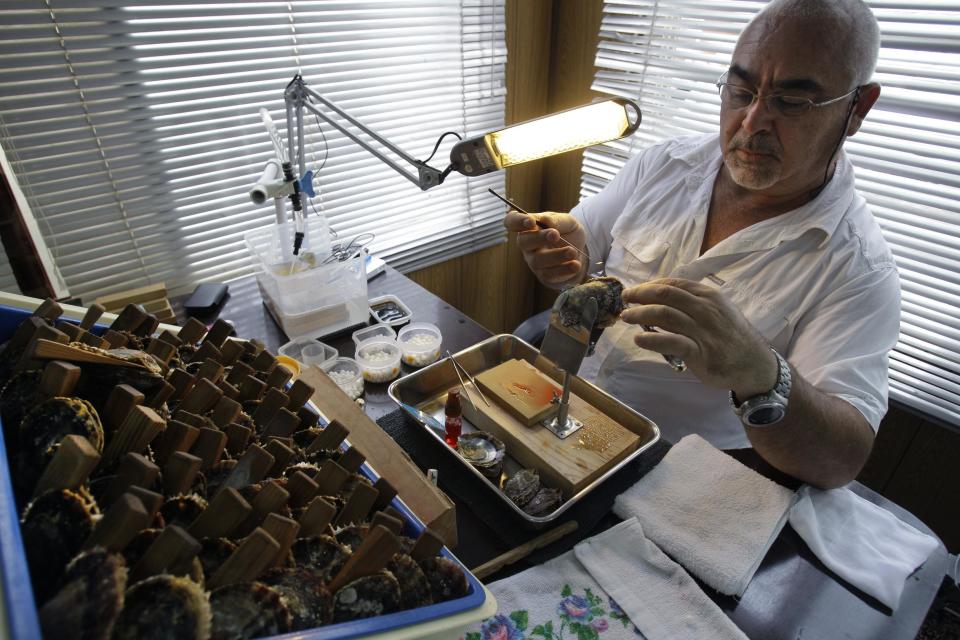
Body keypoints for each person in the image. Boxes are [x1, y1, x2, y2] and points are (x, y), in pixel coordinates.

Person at [505, 0, 898, 489]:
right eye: (741, 89)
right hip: (572, 414)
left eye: (791, 102)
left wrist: (760, 373)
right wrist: (568, 252)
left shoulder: (858, 270)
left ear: (857, 108)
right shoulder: (664, 164)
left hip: (682, 479)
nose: (752, 122)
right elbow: (581, 249)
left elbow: (839, 462)